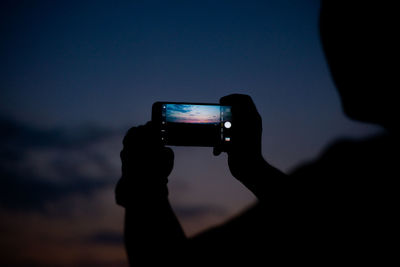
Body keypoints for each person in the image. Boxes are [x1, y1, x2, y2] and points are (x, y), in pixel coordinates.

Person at [115, 1, 398, 265]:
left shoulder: (352, 171)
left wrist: (143, 185)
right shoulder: (351, 173)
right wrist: (250, 166)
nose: (326, 31)